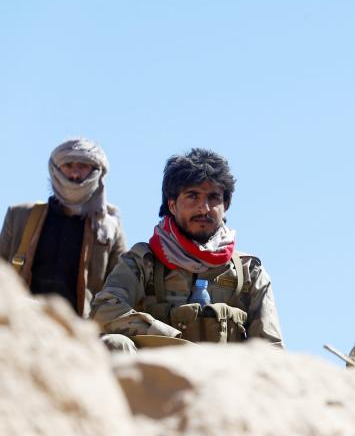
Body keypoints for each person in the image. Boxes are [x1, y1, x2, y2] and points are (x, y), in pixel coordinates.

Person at [91, 148, 283, 350]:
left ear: (226, 204)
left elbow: (271, 347)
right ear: (172, 204)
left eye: (213, 197)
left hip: (224, 377)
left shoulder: (248, 272)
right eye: (193, 196)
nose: (204, 208)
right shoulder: (143, 261)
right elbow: (104, 311)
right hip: (159, 375)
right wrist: (167, 336)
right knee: (115, 344)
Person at [0, 138, 126, 318]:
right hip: (20, 319)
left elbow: (120, 291)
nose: (75, 174)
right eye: (68, 165)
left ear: (97, 172)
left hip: (77, 330)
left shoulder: (109, 229)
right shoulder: (19, 216)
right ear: (55, 169)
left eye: (83, 166)